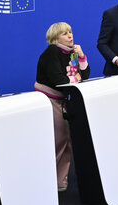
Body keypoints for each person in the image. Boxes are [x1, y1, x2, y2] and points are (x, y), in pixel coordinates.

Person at [34, 22, 90, 191]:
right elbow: (59, 80)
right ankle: (46, 180)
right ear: (55, 37)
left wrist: (81, 57)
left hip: (65, 99)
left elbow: (84, 75)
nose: (70, 36)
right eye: (65, 34)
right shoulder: (52, 52)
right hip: (49, 100)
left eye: (70, 32)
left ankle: (60, 180)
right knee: (58, 140)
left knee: (67, 141)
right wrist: (77, 79)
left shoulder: (71, 53)